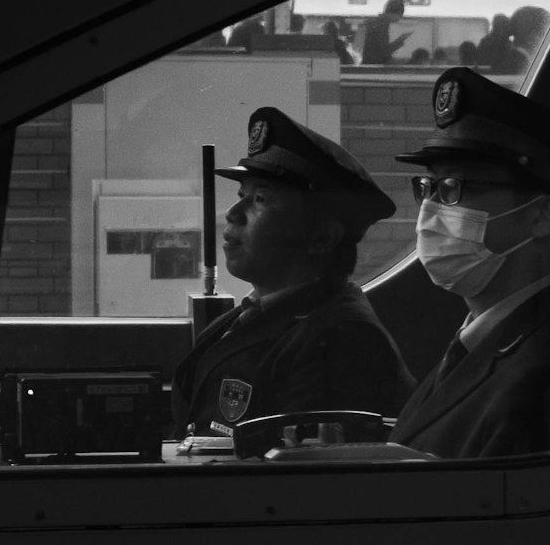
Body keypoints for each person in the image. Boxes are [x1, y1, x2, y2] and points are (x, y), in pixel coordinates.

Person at [392, 67, 550, 459]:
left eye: (457, 188)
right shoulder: (485, 344)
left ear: (543, 216)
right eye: (429, 187)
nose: (431, 210)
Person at [168, 107, 412, 445]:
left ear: (322, 238)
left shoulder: (343, 341)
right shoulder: (237, 323)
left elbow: (298, 485)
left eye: (260, 199)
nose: (234, 213)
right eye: (242, 196)